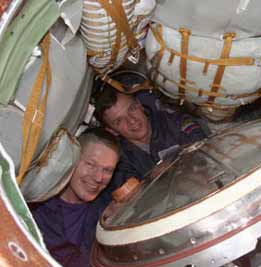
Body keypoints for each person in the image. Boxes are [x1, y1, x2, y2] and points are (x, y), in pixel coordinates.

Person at [94, 72, 207, 191]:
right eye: (119, 121)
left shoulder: (175, 121)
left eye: (132, 109)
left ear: (139, 105)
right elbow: (134, 198)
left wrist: (171, 164)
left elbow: (204, 147)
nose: (132, 121)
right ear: (112, 131)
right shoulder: (118, 162)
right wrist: (153, 178)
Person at [31, 128, 120, 267]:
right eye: (90, 164)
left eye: (107, 170)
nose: (98, 177)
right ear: (71, 159)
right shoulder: (37, 209)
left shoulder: (106, 208)